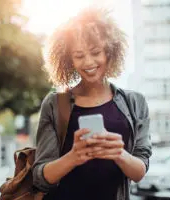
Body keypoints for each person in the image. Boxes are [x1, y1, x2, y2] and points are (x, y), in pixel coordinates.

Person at [32, 7, 152, 200]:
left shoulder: (135, 102)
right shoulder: (55, 103)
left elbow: (139, 173)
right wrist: (74, 156)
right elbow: (40, 177)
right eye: (79, 56)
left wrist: (118, 153)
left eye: (96, 52)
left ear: (109, 52)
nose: (88, 62)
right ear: (69, 59)